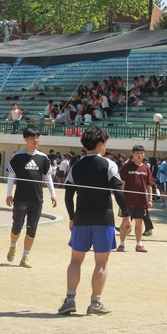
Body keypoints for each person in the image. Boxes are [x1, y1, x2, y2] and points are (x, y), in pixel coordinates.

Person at [58, 127, 132, 316]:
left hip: (82, 218)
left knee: (75, 261)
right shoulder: (109, 165)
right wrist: (126, 215)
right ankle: (95, 303)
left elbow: (68, 195)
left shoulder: (76, 166)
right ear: (100, 144)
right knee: (101, 263)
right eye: (105, 143)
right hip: (103, 219)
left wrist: (72, 217)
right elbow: (118, 191)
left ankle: (70, 299)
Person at [5, 127, 57, 268]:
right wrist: (9, 194)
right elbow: (11, 176)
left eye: (38, 138)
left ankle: (25, 257)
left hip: (36, 199)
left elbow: (47, 177)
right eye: (33, 138)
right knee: (17, 226)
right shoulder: (18, 156)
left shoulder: (43, 157)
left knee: (32, 228)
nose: (36, 140)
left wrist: (53, 194)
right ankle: (13, 246)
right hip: (21, 198)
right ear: (26, 139)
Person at [116, 145, 154, 253]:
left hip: (141, 201)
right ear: (133, 154)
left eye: (142, 153)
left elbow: (149, 185)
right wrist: (121, 199)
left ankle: (139, 244)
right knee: (125, 223)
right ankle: (122, 244)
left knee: (139, 222)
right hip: (128, 201)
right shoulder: (126, 167)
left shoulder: (146, 168)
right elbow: (122, 184)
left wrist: (150, 199)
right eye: (137, 153)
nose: (140, 155)